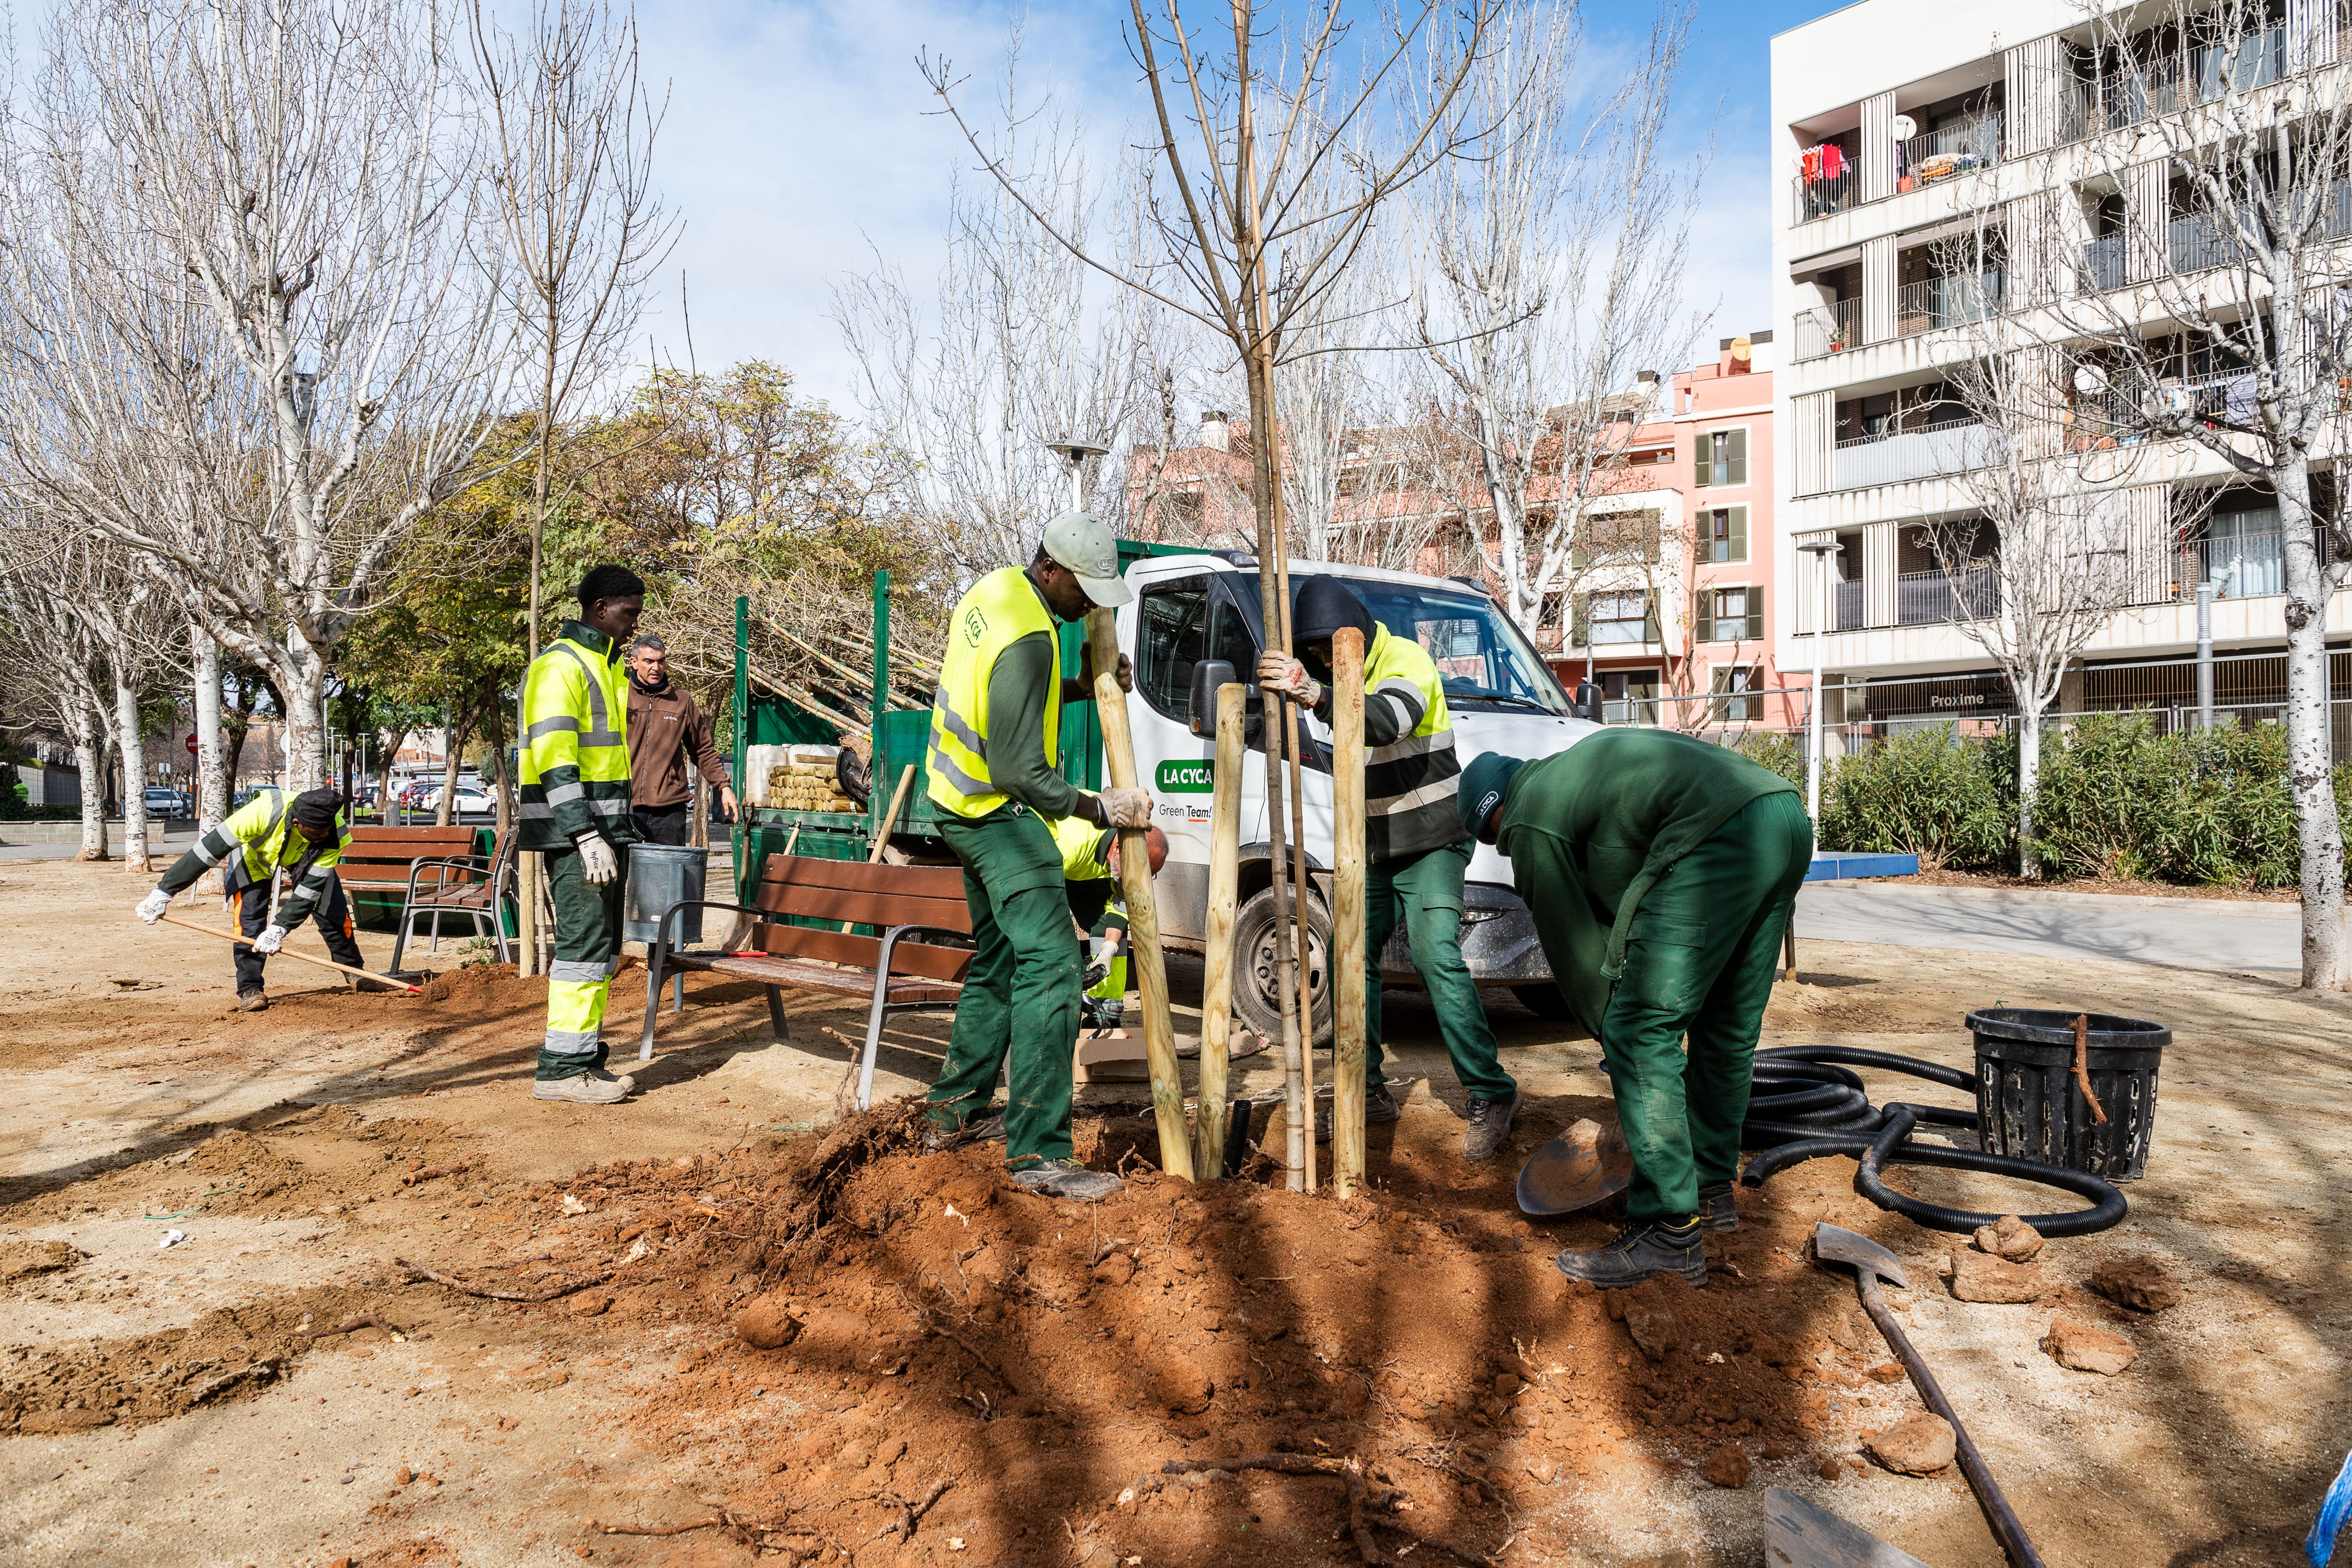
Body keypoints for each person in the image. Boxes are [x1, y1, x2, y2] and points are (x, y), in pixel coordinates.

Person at [1457, 732, 1812, 1287]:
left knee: (1640, 1030)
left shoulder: (1526, 819)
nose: (1504, 848)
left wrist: (1621, 1047)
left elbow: (1572, 946)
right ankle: (1709, 1188)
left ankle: (1668, 1230)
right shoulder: (1570, 778)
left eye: (1495, 839)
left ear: (1494, 812)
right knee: (1726, 1025)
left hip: (1717, 831)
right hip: (1782, 816)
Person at [920, 513, 1152, 1200]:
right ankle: (1038, 1156)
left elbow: (1006, 702)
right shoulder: (1030, 637)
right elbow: (1020, 769)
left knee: (999, 962)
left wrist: (1083, 682)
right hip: (995, 811)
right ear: (1051, 569)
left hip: (955, 801)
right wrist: (1102, 808)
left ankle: (953, 1115)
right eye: (1085, 590)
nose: (1089, 605)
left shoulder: (997, 591)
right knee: (1053, 966)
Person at [1258, 575, 1520, 1161]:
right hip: (1375, 847)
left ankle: (1493, 1092)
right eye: (1315, 654)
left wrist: (1316, 694)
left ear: (1353, 633)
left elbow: (1384, 721)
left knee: (1434, 954)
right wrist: (1283, 686)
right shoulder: (1329, 675)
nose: (1325, 662)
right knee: (1350, 956)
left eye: (1328, 649)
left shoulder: (1407, 660)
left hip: (1433, 842)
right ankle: (1368, 1090)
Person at [518, 565, 644, 1105]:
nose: (634, 624)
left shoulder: (605, 665)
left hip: (605, 831)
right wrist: (584, 835)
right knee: (582, 948)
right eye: (629, 613)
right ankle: (561, 1071)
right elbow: (554, 759)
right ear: (600, 609)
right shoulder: (561, 666)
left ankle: (583, 1056)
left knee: (600, 950)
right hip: (579, 837)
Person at [134, 786, 368, 1011]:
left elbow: (309, 891)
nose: (323, 835)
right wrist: (164, 892)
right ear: (297, 823)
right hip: (253, 858)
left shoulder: (333, 834)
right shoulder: (260, 812)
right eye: (316, 832)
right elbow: (206, 853)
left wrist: (280, 927)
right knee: (249, 921)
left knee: (333, 912)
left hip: (308, 858)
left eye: (326, 830)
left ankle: (355, 972)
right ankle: (250, 989)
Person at [624, 633, 738, 846]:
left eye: (661, 661)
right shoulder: (620, 696)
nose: (656, 668)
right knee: (626, 867)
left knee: (669, 868)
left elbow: (702, 749)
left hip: (670, 807)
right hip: (626, 803)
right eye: (649, 661)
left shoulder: (681, 700)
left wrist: (724, 787)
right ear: (634, 662)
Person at [1053, 816, 1169, 1026]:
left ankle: (1105, 1008)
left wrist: (1108, 950)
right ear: (1117, 848)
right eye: (1136, 872)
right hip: (1047, 868)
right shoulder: (1072, 844)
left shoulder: (1128, 859)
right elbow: (1044, 904)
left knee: (1112, 930)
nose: (1139, 881)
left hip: (1088, 871)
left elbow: (1121, 907)